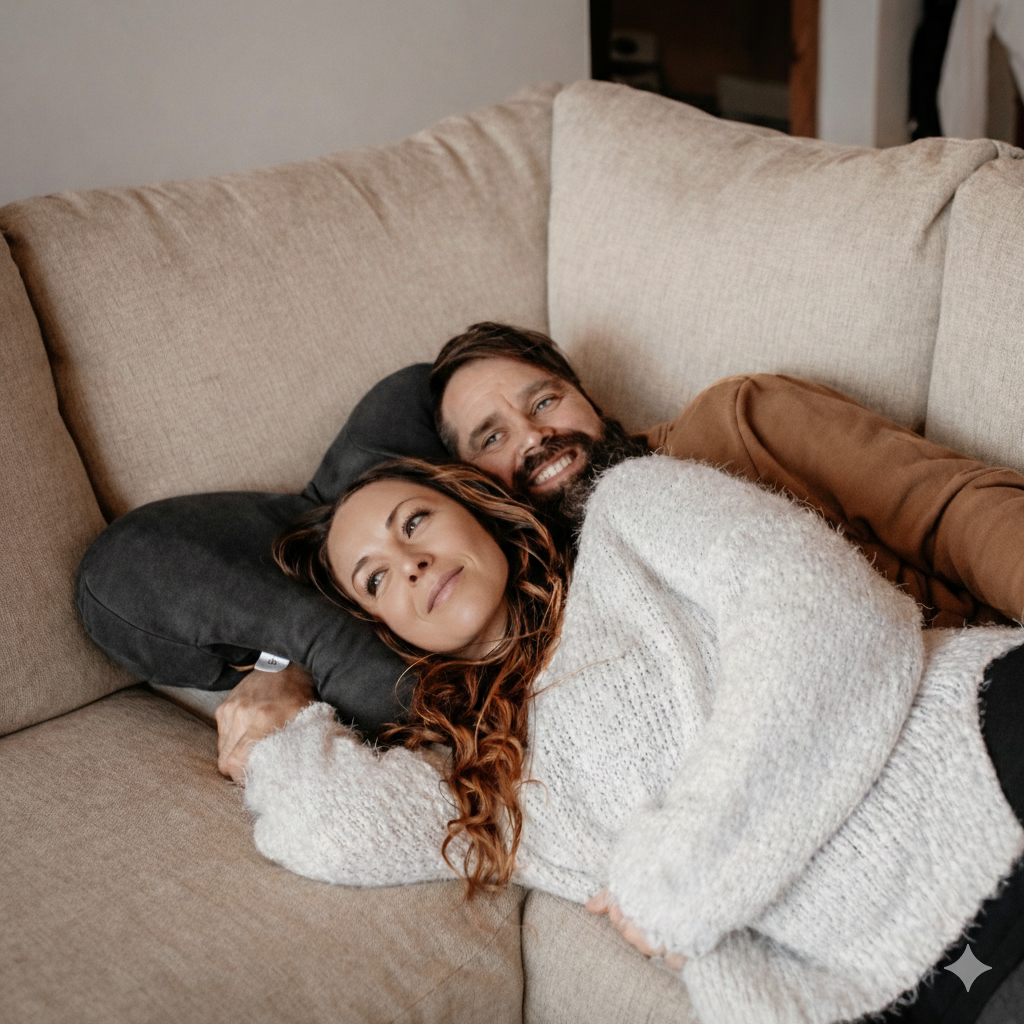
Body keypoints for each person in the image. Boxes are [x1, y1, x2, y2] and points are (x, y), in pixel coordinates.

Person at [244, 453, 1024, 1024]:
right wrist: (276, 702)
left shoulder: (631, 517)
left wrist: (673, 883)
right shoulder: (485, 782)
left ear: (474, 504)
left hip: (982, 761)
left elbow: (825, 613)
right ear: (383, 628)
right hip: (900, 981)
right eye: (375, 579)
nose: (409, 565)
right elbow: (326, 830)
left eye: (413, 523)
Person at [216, 321, 1024, 778]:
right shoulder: (541, 603)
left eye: (545, 400)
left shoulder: (738, 420)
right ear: (472, 488)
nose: (536, 437)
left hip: (961, 682)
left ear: (587, 396)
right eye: (494, 437)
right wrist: (280, 671)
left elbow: (956, 511)